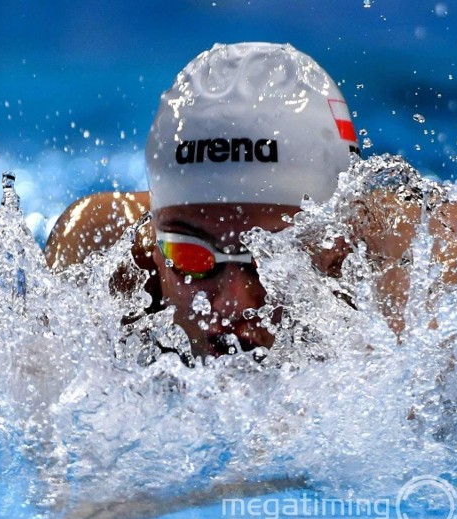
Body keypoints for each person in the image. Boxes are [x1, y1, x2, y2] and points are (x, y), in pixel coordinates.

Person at [45, 42, 360, 359]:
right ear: (155, 244)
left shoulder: (387, 279)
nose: (230, 306)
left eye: (269, 261)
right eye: (191, 256)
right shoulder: (103, 265)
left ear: (336, 251)